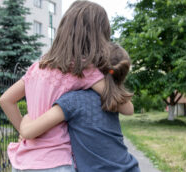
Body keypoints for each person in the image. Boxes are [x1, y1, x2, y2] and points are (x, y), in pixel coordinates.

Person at [0, 1, 134, 171]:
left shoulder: (37, 68)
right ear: (97, 38)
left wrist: (25, 131)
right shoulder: (82, 70)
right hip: (56, 161)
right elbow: (126, 107)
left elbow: (6, 100)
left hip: (22, 161)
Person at [19, 43, 140, 172]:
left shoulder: (73, 100)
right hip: (129, 167)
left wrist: (26, 118)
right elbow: (130, 109)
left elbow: (28, 132)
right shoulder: (112, 102)